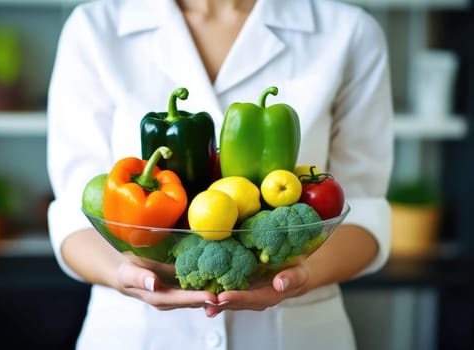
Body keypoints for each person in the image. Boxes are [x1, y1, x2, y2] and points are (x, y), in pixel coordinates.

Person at [46, 0, 394, 349]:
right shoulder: (94, 27)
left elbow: (365, 209)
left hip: (295, 333)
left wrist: (301, 276)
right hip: (137, 333)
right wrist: (120, 275)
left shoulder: (349, 31)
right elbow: (74, 212)